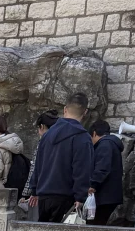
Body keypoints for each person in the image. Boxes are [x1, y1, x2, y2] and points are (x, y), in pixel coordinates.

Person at [26, 93, 93, 223]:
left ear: (65, 109)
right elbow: (82, 169)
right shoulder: (82, 137)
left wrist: (34, 189)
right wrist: (81, 196)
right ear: (85, 112)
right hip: (65, 195)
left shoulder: (47, 134)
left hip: (44, 193)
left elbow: (38, 164)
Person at [87, 119, 124, 227]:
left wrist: (93, 184)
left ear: (94, 133)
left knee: (94, 226)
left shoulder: (104, 145)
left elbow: (102, 168)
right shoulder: (112, 144)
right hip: (110, 196)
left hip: (104, 196)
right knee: (98, 224)